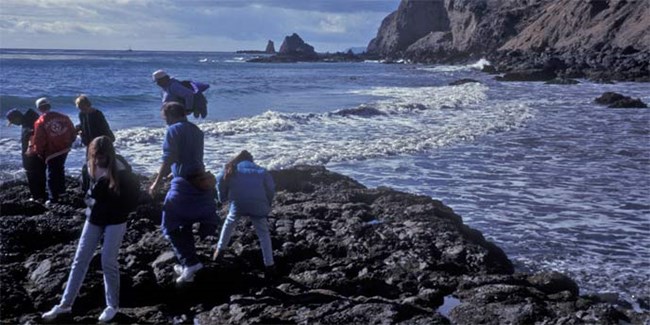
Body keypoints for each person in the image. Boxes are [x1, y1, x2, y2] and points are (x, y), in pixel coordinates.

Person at [41, 136, 140, 323]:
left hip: (116, 220)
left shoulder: (121, 168)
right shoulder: (88, 166)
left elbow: (132, 196)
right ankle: (65, 304)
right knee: (79, 260)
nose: (99, 160)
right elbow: (84, 192)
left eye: (102, 156)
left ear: (110, 153)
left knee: (107, 261)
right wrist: (92, 199)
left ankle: (112, 306)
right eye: (96, 156)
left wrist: (114, 204)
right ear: (91, 153)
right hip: (93, 218)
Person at [149, 101, 218, 283]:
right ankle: (189, 260)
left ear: (171, 115)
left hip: (183, 185)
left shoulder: (173, 130)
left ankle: (189, 262)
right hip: (200, 182)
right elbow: (192, 157)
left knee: (169, 223)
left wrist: (156, 182)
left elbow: (169, 156)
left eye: (165, 118)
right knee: (184, 223)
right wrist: (174, 170)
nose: (165, 122)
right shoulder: (196, 130)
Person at [213, 150, 276, 277]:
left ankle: (219, 251)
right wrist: (267, 203)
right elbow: (271, 189)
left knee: (229, 222)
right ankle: (269, 264)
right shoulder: (262, 171)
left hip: (238, 205)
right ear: (251, 160)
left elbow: (219, 182)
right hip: (258, 205)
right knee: (263, 233)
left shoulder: (230, 169)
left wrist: (223, 198)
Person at [28, 97, 76, 204]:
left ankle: (53, 197)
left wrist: (39, 152)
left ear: (39, 109)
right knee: (59, 169)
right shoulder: (64, 117)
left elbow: (39, 139)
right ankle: (62, 192)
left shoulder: (40, 121)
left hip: (52, 151)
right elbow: (72, 132)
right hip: (64, 148)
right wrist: (70, 142)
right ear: (49, 105)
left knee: (51, 174)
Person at [75, 94, 115, 191]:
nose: (81, 109)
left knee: (103, 163)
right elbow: (83, 125)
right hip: (89, 142)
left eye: (82, 107)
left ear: (87, 104)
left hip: (100, 143)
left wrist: (108, 141)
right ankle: (90, 185)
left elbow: (105, 128)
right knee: (89, 163)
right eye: (79, 108)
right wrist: (79, 129)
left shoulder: (97, 114)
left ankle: (108, 183)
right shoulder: (82, 114)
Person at [5, 108, 47, 201]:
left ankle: (37, 196)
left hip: (33, 153)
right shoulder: (29, 120)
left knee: (33, 174)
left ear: (17, 117)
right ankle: (40, 195)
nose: (14, 124)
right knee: (39, 174)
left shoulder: (29, 124)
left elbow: (33, 135)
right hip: (38, 152)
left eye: (13, 121)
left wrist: (30, 149)